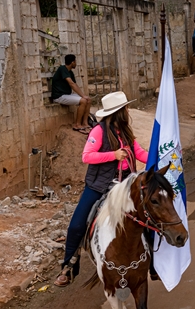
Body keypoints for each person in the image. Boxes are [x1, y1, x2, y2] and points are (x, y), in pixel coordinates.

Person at [54, 91, 149, 287]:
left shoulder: (126, 131)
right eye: (125, 108)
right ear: (119, 111)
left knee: (148, 214)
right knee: (77, 225)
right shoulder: (98, 131)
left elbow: (139, 153)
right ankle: (68, 266)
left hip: (125, 186)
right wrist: (113, 155)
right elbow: (87, 156)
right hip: (100, 186)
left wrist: (162, 157)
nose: (128, 110)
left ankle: (153, 262)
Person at [51, 54, 92, 133]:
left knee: (88, 100)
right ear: (72, 62)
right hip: (59, 96)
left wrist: (84, 96)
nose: (76, 63)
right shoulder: (62, 69)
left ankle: (85, 123)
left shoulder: (70, 72)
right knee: (83, 101)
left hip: (67, 95)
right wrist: (83, 96)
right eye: (75, 61)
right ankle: (77, 125)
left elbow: (74, 84)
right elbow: (71, 84)